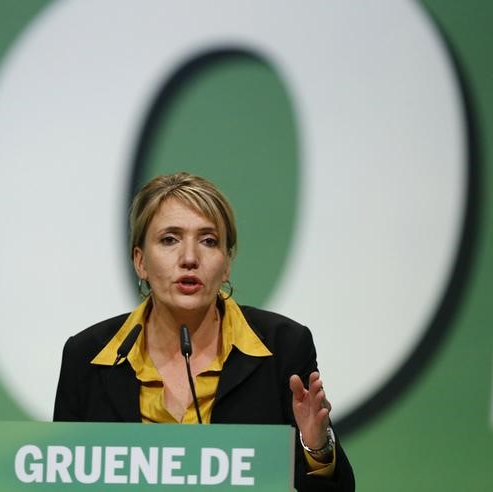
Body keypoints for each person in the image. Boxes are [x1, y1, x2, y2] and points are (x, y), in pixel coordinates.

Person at [53, 172, 355, 490]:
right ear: (140, 261)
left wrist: (317, 448)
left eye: (208, 241)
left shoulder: (282, 347)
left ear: (226, 264)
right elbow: (58, 481)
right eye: (169, 239)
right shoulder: (87, 356)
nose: (189, 258)